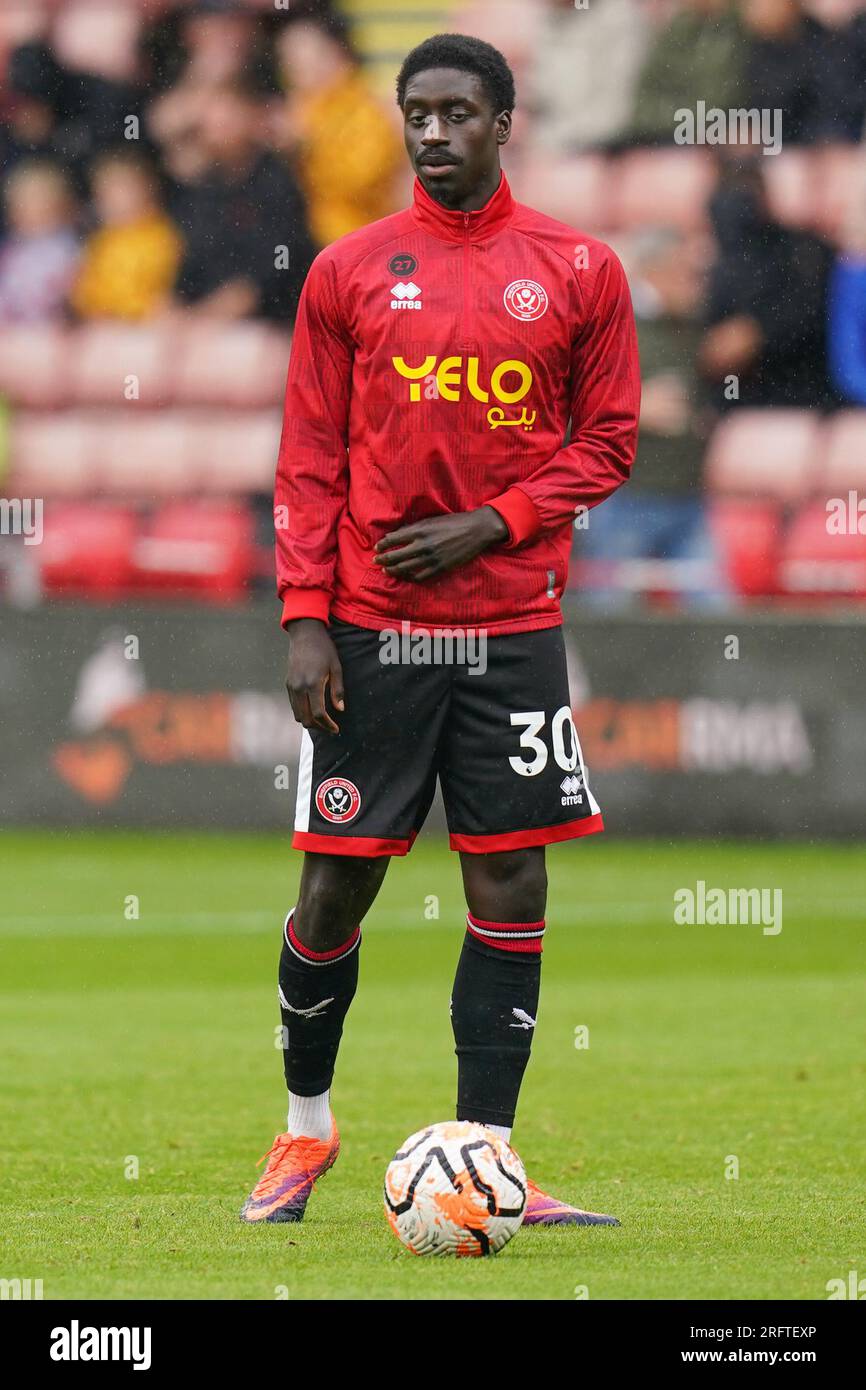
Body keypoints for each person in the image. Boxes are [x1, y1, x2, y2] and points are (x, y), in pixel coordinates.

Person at [242, 33, 640, 1227]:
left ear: (502, 121)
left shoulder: (577, 268)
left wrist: (493, 522)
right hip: (371, 629)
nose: (432, 131)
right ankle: (304, 1130)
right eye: (416, 111)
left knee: (509, 877)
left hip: (511, 626)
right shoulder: (348, 271)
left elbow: (608, 440)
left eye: (457, 111)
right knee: (332, 894)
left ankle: (488, 1160)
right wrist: (304, 616)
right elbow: (308, 458)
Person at [579, 228, 730, 609]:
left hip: (685, 496)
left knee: (718, 612)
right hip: (625, 497)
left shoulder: (689, 327)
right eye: (687, 274)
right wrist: (636, 410)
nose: (700, 285)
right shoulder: (610, 323)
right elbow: (562, 407)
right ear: (656, 272)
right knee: (608, 611)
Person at [166, 80, 315, 321]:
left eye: (227, 121)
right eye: (212, 123)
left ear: (251, 121)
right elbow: (193, 258)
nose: (219, 130)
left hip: (277, 316)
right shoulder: (204, 187)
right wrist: (175, 299)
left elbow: (282, 259)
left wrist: (244, 296)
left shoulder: (277, 180)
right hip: (214, 317)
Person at [274, 6, 403, 248]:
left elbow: (361, 178)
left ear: (336, 53)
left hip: (359, 243)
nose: (294, 68)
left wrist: (306, 145)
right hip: (309, 242)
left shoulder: (366, 108)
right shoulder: (301, 109)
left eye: (302, 56)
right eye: (287, 59)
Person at [69, 149, 182, 321]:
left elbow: (161, 291)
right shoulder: (101, 241)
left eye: (121, 189)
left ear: (147, 189)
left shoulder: (162, 236)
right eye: (104, 193)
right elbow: (85, 293)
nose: (111, 200)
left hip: (145, 323)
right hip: (104, 325)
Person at [0, 159, 79, 323]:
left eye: (40, 203)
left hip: (52, 330)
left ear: (60, 206)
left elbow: (70, 293)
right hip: (13, 329)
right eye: (24, 204)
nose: (31, 211)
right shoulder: (11, 249)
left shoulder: (68, 248)